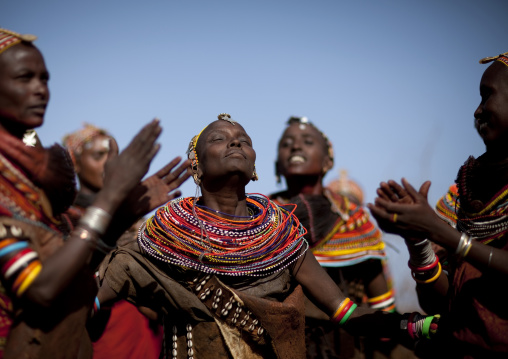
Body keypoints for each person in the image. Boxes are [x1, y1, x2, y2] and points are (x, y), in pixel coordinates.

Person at [95, 114, 439, 359]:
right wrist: (111, 210)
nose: (234, 140)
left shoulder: (283, 235)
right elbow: (89, 299)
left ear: (255, 165)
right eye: (218, 138)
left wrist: (414, 326)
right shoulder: (162, 234)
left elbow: (345, 312)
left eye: (243, 139)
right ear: (195, 166)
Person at [0, 28, 190, 358]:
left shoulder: (33, 185)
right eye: (24, 78)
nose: (40, 90)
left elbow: (75, 287)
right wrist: (109, 199)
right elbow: (41, 290)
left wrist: (119, 220)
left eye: (44, 79)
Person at [368, 51, 508, 358]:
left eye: (487, 96)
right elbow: (440, 306)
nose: (477, 110)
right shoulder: (465, 191)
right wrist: (418, 240)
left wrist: (444, 234)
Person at [271, 117, 403, 359]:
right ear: (277, 165)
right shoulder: (259, 217)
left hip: (344, 345)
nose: (296, 147)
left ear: (327, 161)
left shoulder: (354, 220)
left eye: (307, 141)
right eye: (287, 143)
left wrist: (390, 333)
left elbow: (381, 301)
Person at [63, 124, 163, 359]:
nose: (108, 163)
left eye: (112, 156)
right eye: (98, 156)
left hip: (146, 336)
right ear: (75, 163)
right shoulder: (67, 218)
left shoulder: (133, 214)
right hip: (102, 337)